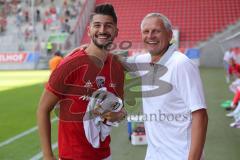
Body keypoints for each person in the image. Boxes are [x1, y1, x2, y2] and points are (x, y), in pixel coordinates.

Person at [37, 4, 126, 160]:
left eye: (108, 25)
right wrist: (47, 155)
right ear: (89, 30)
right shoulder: (70, 64)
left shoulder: (117, 67)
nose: (102, 30)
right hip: (72, 156)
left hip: (105, 156)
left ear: (116, 31)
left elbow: (121, 108)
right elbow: (43, 109)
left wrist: (118, 115)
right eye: (97, 25)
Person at [125, 13, 208, 160]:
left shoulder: (181, 64)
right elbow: (114, 61)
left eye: (156, 31)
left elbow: (200, 116)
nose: (150, 36)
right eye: (146, 31)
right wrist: (86, 50)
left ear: (169, 35)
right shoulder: (144, 61)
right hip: (153, 155)